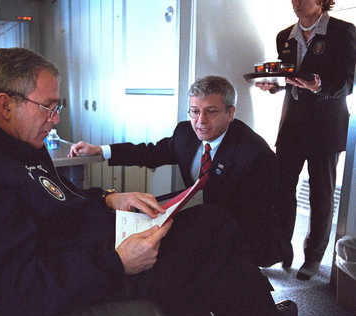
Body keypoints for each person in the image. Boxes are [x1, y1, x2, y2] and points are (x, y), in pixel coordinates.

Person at [0, 48, 298, 316]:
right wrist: (119, 263)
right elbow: (20, 288)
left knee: (209, 224)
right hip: (94, 266)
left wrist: (108, 199)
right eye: (48, 106)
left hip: (91, 240)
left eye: (57, 107)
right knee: (213, 230)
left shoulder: (21, 144)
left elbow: (59, 202)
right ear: (5, 105)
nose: (55, 119)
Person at [70, 75, 288, 268]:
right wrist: (101, 150)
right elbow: (151, 153)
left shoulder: (255, 154)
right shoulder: (185, 133)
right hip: (203, 220)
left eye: (211, 112)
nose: (200, 121)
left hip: (241, 234)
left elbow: (254, 217)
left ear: (230, 113)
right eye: (194, 111)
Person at [256, 0, 356, 280]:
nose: (297, 3)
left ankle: (313, 257)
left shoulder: (343, 31)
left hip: (326, 126)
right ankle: (281, 249)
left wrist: (320, 85)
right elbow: (289, 78)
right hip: (292, 126)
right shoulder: (284, 36)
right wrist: (273, 85)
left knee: (321, 193)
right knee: (282, 189)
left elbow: (348, 81)